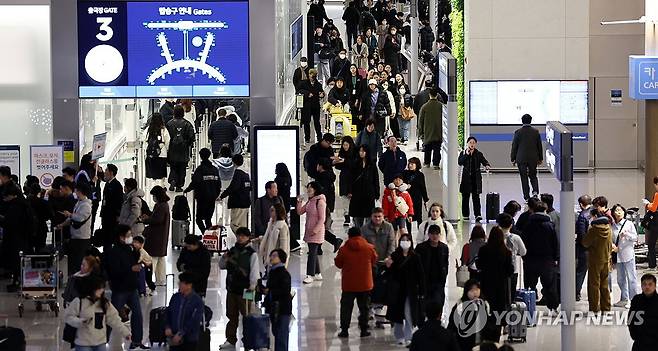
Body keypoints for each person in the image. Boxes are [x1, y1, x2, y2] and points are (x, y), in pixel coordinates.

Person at [104, 225, 149, 349]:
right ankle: (102, 340)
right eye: (129, 235)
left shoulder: (129, 249)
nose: (131, 238)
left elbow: (133, 262)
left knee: (138, 314)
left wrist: (136, 251)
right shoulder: (113, 252)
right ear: (121, 237)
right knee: (112, 315)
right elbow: (114, 271)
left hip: (131, 287)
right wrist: (131, 269)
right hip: (120, 289)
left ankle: (137, 340)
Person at [64, 275, 131, 351]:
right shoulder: (79, 302)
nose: (102, 290)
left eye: (102, 288)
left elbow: (114, 320)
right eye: (99, 288)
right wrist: (80, 322)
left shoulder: (105, 304)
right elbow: (68, 317)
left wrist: (126, 333)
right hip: (83, 343)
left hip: (100, 343)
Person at [219, 227, 259, 349]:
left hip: (246, 290)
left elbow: (254, 272)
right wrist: (224, 258)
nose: (240, 238)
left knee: (247, 316)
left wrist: (252, 287)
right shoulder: (232, 251)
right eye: (239, 235)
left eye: (243, 236)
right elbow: (222, 266)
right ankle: (230, 340)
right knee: (231, 315)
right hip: (232, 289)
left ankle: (248, 340)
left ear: (248, 238)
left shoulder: (252, 254)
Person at [335, 227, 377, 338]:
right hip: (365, 283)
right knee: (364, 308)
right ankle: (364, 330)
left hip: (349, 284)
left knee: (346, 308)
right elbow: (374, 260)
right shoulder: (369, 248)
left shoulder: (344, 249)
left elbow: (338, 263)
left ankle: (344, 330)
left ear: (349, 236)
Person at [384, 234, 425, 346]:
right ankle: (399, 336)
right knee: (398, 315)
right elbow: (389, 274)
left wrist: (422, 291)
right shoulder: (395, 256)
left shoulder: (416, 257)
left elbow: (421, 275)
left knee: (408, 314)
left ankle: (409, 336)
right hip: (397, 291)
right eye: (403, 240)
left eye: (407, 240)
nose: (405, 242)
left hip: (411, 291)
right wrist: (388, 266)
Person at [520, 201, 560, 312]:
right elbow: (554, 243)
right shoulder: (550, 225)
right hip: (547, 260)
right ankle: (553, 307)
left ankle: (528, 308)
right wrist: (555, 258)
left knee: (529, 285)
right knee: (550, 285)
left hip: (530, 259)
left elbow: (524, 242)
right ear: (545, 210)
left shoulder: (528, 225)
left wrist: (525, 257)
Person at [476, 226, 514, 340]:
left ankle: (485, 334)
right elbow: (510, 271)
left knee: (486, 309)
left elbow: (479, 265)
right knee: (499, 311)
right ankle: (496, 336)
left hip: (486, 284)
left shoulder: (483, 250)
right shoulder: (506, 252)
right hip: (501, 286)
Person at [57, 182, 93, 278]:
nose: (75, 192)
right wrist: (63, 224)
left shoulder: (86, 205)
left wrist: (69, 214)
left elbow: (79, 218)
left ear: (80, 191)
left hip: (82, 238)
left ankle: (80, 280)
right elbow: (72, 218)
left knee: (79, 261)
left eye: (76, 190)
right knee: (74, 260)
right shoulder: (79, 203)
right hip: (75, 237)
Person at [259, 249, 293, 351]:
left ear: (281, 259)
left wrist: (270, 291)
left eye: (274, 256)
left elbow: (285, 290)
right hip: (274, 308)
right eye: (271, 255)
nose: (271, 258)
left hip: (282, 309)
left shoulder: (283, 273)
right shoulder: (272, 271)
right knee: (276, 332)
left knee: (281, 335)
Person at [184, 148, 222, 233]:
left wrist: (187, 190)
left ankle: (205, 234)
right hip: (212, 198)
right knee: (208, 219)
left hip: (202, 198)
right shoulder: (215, 170)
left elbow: (195, 182)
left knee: (199, 219)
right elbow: (219, 184)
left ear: (200, 156)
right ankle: (209, 236)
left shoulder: (200, 170)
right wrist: (216, 194)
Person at [165, 272, 205, 351]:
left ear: (189, 285)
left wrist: (181, 334)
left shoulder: (197, 301)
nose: (179, 284)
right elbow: (168, 313)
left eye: (181, 283)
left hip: (189, 340)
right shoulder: (175, 297)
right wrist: (167, 326)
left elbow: (194, 321)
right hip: (174, 338)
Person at [448, 279, 492, 351]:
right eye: (471, 290)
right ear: (466, 292)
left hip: (481, 342)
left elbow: (489, 322)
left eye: (477, 289)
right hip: (464, 343)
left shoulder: (484, 304)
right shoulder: (460, 305)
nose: (475, 292)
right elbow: (452, 324)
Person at [582, 210, 613, 313]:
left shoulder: (593, 230)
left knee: (594, 285)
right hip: (606, 259)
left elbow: (585, 243)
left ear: (595, 217)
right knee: (604, 285)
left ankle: (595, 308)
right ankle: (606, 307)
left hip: (595, 260)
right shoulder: (609, 229)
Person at [297, 182, 326, 284]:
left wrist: (315, 230)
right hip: (309, 231)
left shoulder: (320, 202)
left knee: (312, 253)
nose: (308, 191)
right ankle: (317, 273)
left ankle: (310, 274)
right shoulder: (310, 202)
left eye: (310, 189)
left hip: (316, 232)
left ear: (315, 190)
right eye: (308, 189)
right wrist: (299, 201)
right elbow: (300, 211)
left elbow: (322, 218)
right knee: (313, 252)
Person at [610, 204, 639, 308]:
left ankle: (633, 300)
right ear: (613, 213)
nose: (618, 212)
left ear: (624, 212)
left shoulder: (629, 224)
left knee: (632, 278)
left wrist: (626, 235)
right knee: (620, 279)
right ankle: (624, 298)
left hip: (628, 254)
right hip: (618, 256)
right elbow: (611, 239)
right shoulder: (612, 226)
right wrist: (613, 245)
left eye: (620, 210)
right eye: (616, 210)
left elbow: (635, 238)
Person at [141, 186, 170, 286]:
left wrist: (145, 220)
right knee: (160, 259)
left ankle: (148, 280)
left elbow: (157, 220)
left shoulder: (161, 206)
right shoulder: (163, 205)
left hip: (156, 236)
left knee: (152, 259)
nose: (153, 197)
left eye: (154, 195)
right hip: (161, 236)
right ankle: (161, 280)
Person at [415, 225, 450, 309]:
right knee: (425, 304)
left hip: (439, 281)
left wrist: (444, 276)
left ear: (440, 235)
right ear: (428, 235)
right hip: (425, 281)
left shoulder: (444, 248)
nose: (434, 236)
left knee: (438, 302)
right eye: (432, 234)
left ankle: (437, 319)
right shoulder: (421, 248)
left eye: (437, 234)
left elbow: (445, 263)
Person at [510, 114, 543, 200]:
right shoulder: (536, 132)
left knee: (523, 177)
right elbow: (539, 146)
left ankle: (526, 197)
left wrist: (513, 158)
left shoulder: (518, 132)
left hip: (521, 158)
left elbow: (514, 146)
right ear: (531, 121)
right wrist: (540, 158)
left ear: (522, 121)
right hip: (533, 158)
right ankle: (535, 192)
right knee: (533, 175)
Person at [458, 136, 491, 222]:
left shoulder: (478, 154)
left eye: (473, 143)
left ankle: (478, 214)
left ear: (475, 144)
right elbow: (460, 162)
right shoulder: (463, 153)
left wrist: (486, 165)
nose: (472, 144)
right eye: (470, 142)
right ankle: (465, 215)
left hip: (475, 179)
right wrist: (466, 154)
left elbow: (484, 161)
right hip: (466, 179)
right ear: (467, 143)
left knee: (476, 198)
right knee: (465, 197)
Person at [315, 158, 343, 253]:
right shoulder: (329, 177)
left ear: (321, 166)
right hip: (327, 204)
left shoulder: (322, 178)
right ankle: (318, 247)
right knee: (320, 226)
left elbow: (321, 192)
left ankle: (334, 240)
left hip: (322, 205)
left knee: (319, 226)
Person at [348, 145, 380, 227]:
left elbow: (375, 179)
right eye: (360, 151)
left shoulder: (371, 164)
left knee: (369, 216)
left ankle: (368, 236)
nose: (361, 153)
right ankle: (359, 235)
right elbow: (350, 179)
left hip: (368, 194)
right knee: (358, 217)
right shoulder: (355, 163)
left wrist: (377, 192)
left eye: (363, 151)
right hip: (357, 194)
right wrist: (350, 191)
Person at [166, 105, 196, 192]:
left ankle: (172, 180)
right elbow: (192, 137)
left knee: (173, 167)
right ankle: (179, 186)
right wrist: (187, 144)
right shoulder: (187, 124)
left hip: (172, 150)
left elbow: (167, 137)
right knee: (182, 169)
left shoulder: (169, 123)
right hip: (183, 150)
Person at [497, 213, 527, 292]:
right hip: (513, 269)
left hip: (498, 269)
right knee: (511, 292)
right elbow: (523, 252)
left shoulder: (494, 237)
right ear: (511, 225)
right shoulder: (516, 238)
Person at [628, 273, 658, 351]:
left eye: (650, 284)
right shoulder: (636, 300)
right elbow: (630, 319)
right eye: (644, 284)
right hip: (640, 342)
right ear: (641, 286)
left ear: (655, 286)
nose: (647, 287)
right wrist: (634, 335)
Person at [257, 203, 290, 272]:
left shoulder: (282, 226)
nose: (270, 212)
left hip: (277, 257)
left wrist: (280, 258)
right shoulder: (270, 223)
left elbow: (284, 245)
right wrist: (259, 239)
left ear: (277, 212)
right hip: (269, 254)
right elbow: (268, 237)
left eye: (272, 210)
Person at [418, 88, 444, 169]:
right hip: (438, 132)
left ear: (429, 95)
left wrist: (421, 133)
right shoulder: (441, 106)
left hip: (427, 132)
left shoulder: (424, 107)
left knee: (427, 149)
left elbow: (420, 121)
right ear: (437, 95)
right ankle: (436, 164)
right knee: (437, 149)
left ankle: (427, 163)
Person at [100, 164, 123, 253]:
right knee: (106, 236)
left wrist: (117, 215)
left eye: (106, 170)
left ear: (111, 172)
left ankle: (110, 254)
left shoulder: (117, 186)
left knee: (111, 236)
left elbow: (119, 202)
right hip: (106, 214)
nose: (105, 172)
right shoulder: (107, 184)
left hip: (112, 216)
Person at [299, 69, 325, 144]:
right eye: (311, 75)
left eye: (313, 75)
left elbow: (321, 92)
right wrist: (307, 93)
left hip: (315, 106)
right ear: (309, 75)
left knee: (317, 122)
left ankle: (319, 137)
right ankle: (307, 138)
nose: (312, 77)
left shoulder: (318, 84)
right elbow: (299, 91)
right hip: (307, 106)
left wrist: (322, 95)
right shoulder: (304, 83)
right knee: (307, 122)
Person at [403, 157, 429, 233]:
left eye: (412, 164)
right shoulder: (405, 173)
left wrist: (425, 199)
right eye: (409, 163)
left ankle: (420, 232)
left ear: (417, 165)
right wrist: (405, 186)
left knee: (418, 217)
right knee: (408, 216)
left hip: (417, 198)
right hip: (407, 198)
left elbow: (423, 188)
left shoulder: (420, 175)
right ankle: (409, 233)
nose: (410, 165)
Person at [335, 136, 357, 226]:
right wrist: (338, 161)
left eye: (347, 145)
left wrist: (345, 161)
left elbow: (355, 164)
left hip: (353, 178)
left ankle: (355, 217)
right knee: (345, 199)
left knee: (354, 199)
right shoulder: (342, 153)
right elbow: (338, 167)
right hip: (344, 178)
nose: (345, 147)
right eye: (344, 145)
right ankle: (346, 217)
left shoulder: (355, 153)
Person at [144, 112, 170, 184]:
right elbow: (167, 140)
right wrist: (166, 149)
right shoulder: (163, 130)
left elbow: (144, 140)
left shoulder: (148, 130)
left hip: (151, 155)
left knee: (152, 173)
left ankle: (153, 185)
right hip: (162, 154)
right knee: (161, 173)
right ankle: (162, 185)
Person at [575, 194, 592, 301]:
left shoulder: (582, 216)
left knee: (580, 271)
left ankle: (576, 292)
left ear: (581, 204)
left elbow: (581, 234)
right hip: (596, 248)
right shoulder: (596, 213)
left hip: (584, 249)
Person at [642, 176, 658, 270]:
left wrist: (647, 204)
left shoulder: (657, 194)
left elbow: (654, 208)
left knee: (651, 244)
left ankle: (652, 266)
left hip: (656, 224)